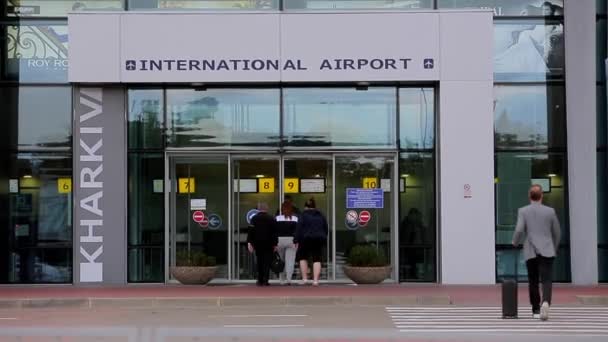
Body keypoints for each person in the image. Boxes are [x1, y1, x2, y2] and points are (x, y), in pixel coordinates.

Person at [512, 184, 561, 321]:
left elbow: (519, 229)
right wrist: (554, 247)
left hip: (531, 250)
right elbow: (557, 232)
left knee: (533, 280)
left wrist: (515, 242)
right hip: (547, 249)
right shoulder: (550, 211)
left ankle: (536, 309)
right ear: (542, 196)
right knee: (546, 279)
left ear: (529, 196)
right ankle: (546, 302)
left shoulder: (523, 211)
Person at [294, 198, 328, 286]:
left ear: (306, 207)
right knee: (317, 258)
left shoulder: (303, 215)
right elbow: (325, 227)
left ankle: (305, 279)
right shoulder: (321, 215)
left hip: (305, 239)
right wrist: (324, 237)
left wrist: (296, 240)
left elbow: (299, 228)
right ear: (314, 206)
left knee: (302, 257)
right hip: (318, 239)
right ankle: (316, 280)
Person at [247, 203, 278, 286]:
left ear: (258, 209)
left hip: (258, 243)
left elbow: (250, 231)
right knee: (267, 262)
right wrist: (275, 244)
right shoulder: (271, 218)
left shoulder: (254, 218)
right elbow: (275, 232)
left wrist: (250, 242)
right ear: (267, 209)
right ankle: (266, 280)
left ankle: (260, 280)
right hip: (269, 244)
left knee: (259, 261)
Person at [276, 201, 298, 285]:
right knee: (290, 260)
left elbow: (274, 231)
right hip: (291, 241)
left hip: (279, 240)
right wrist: (296, 241)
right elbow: (297, 231)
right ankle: (289, 279)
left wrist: (274, 242)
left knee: (281, 261)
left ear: (282, 209)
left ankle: (281, 279)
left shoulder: (277, 218)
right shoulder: (295, 219)